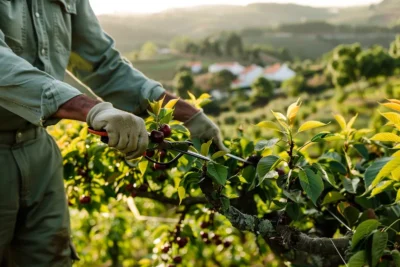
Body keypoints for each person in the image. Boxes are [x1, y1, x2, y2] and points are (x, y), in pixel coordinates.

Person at [0, 1, 227, 266]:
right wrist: (91, 109)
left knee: (51, 259)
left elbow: (102, 64)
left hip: (38, 150)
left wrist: (188, 114)